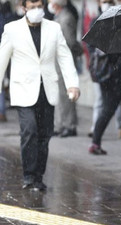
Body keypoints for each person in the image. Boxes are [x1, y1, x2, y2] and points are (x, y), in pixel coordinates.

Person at [0, 0, 80, 191]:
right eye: (32, 7)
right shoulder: (12, 29)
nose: (36, 10)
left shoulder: (54, 28)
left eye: (39, 6)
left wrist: (72, 85)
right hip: (23, 90)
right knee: (29, 130)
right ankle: (28, 175)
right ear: (24, 8)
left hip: (47, 90)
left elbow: (64, 56)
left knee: (44, 135)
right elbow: (2, 59)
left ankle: (38, 176)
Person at [88, 0, 121, 155]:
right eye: (104, 1)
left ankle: (95, 142)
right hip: (108, 73)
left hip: (117, 72)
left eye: (110, 1)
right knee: (113, 108)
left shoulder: (119, 22)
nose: (107, 4)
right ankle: (95, 142)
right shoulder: (97, 21)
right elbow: (91, 45)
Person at [48, 0, 82, 137]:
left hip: (64, 62)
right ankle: (60, 125)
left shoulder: (66, 18)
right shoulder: (58, 17)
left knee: (67, 95)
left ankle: (69, 125)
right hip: (57, 62)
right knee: (60, 95)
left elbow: (70, 42)